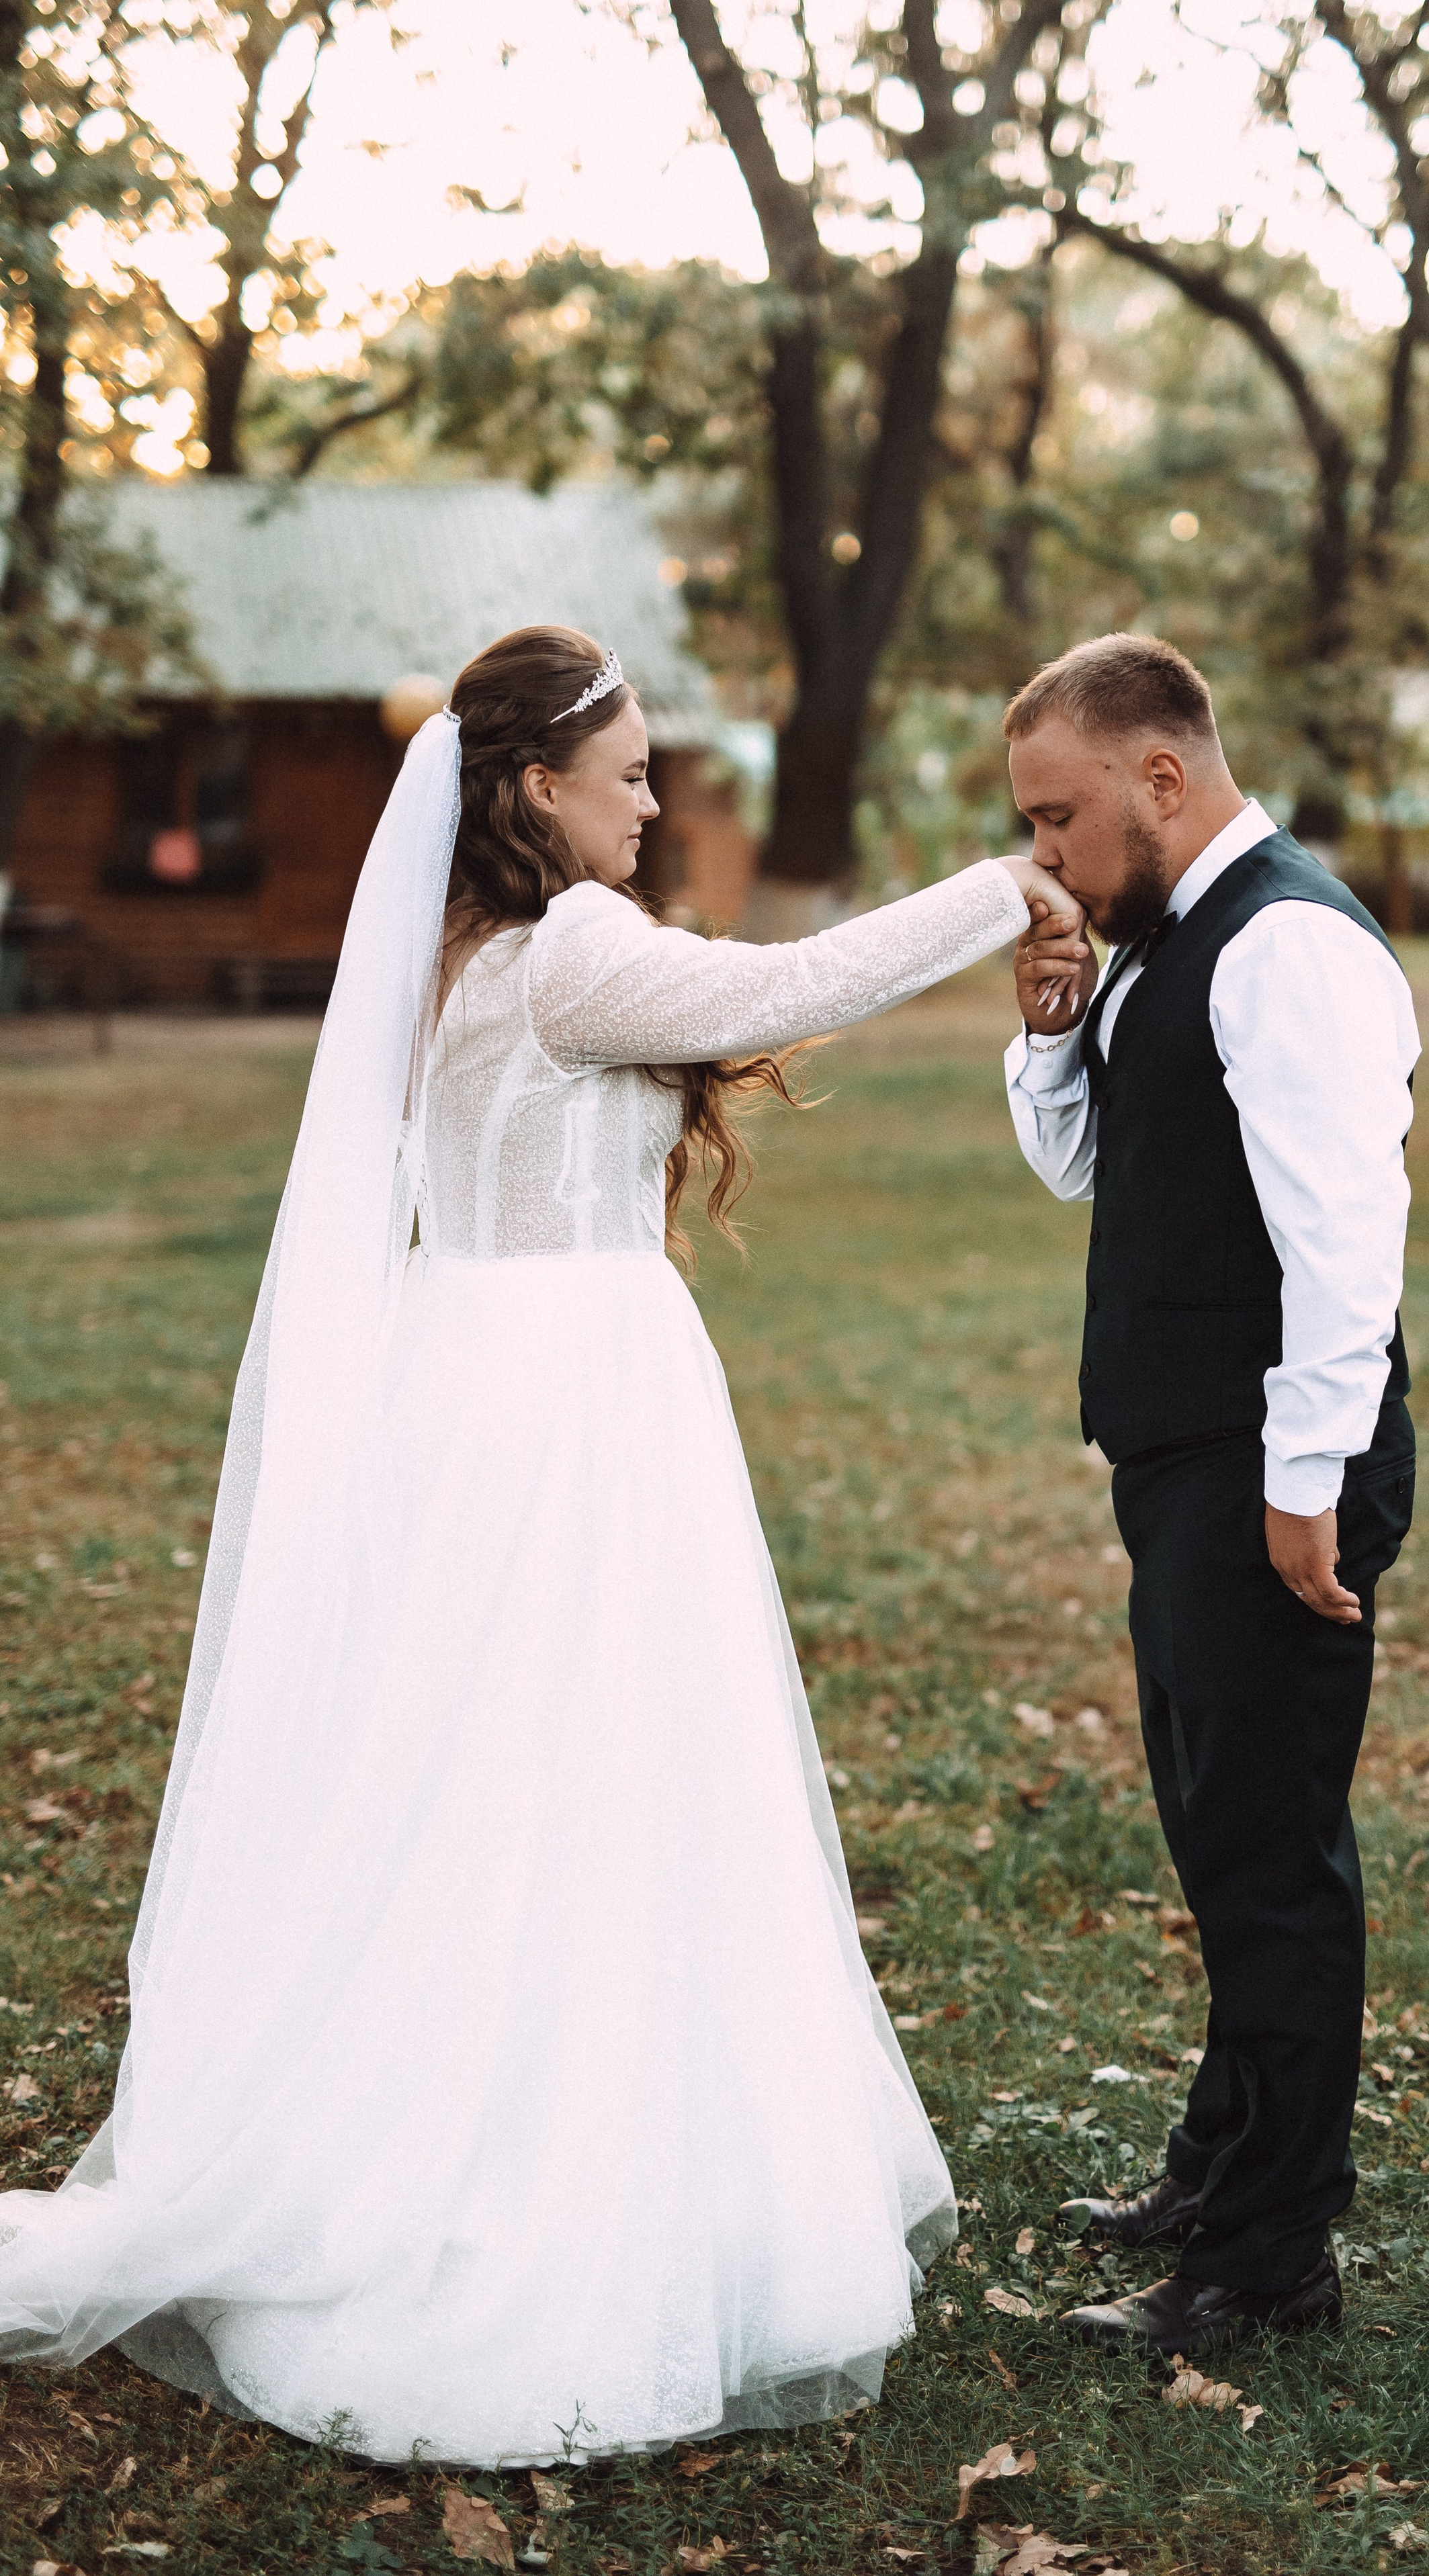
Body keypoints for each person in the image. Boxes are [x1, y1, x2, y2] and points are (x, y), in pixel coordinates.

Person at [0, 625, 1086, 2466]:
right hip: (565, 1402)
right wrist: (1007, 884)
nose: (656, 799)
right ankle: (527, 2196)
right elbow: (789, 974)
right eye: (634, 768)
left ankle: (509, 2122)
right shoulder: (572, 948)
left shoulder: (473, 952)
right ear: (536, 790)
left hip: (497, 1380)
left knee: (508, 1776)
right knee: (570, 1775)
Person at [1002, 633, 1419, 2358]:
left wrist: (1302, 1480)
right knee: (1214, 1824)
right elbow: (1089, 1167)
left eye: (1055, 814)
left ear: (1157, 778)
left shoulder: (1290, 944)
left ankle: (1266, 2262)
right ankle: (1217, 2166)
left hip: (1271, 1472)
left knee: (1266, 1857)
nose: (1039, 853)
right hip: (1190, 1464)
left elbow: (1345, 1236)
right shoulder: (1157, 944)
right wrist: (1047, 1028)